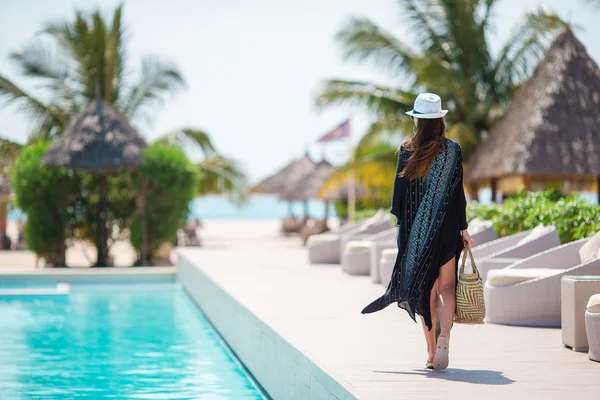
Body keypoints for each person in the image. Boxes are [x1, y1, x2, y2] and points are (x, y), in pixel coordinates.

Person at [362, 93, 473, 371]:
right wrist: (464, 228)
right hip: (447, 230)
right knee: (447, 288)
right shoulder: (453, 151)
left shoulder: (406, 150)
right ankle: (445, 336)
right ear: (440, 120)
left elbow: (398, 199)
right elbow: (458, 196)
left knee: (426, 292)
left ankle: (432, 352)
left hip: (417, 235)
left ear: (417, 121)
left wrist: (405, 234)